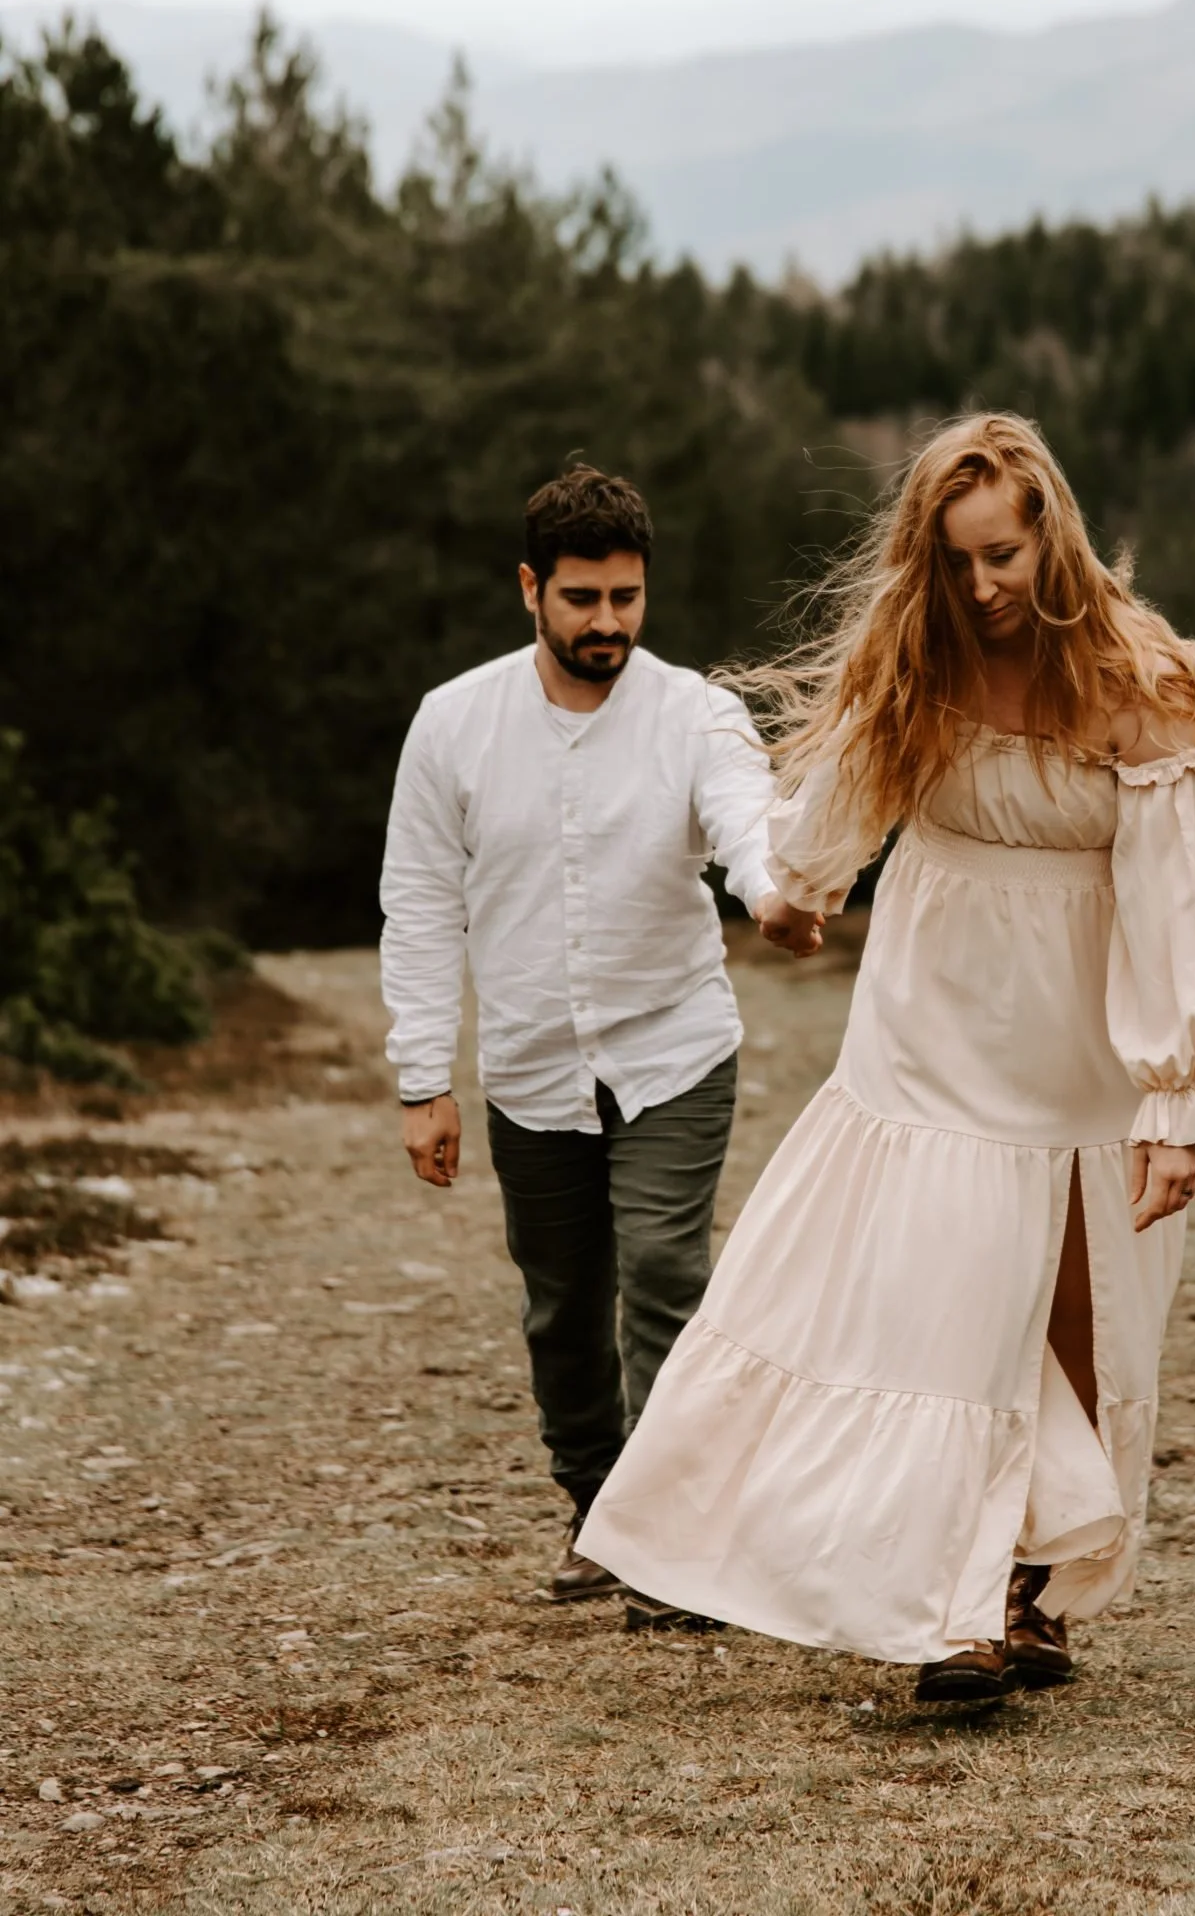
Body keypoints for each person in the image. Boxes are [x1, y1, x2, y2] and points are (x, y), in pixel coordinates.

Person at [580, 413, 1195, 1696]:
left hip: (1073, 1027)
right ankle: (959, 1602)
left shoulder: (1137, 679)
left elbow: (1173, 900)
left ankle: (1037, 1591)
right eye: (956, 562)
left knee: (1071, 1308)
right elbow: (840, 801)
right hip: (930, 1015)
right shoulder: (917, 658)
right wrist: (793, 885)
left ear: (1050, 527)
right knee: (948, 1298)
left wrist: (1174, 1088)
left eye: (1000, 555)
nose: (982, 586)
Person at [378, 464, 819, 1622]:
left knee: (666, 1274)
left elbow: (742, 821)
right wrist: (423, 1079)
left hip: (672, 1047)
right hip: (530, 1068)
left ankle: (674, 1538)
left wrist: (772, 893)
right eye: (581, 598)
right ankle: (596, 1509)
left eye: (625, 597)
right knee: (560, 1300)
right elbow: (419, 901)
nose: (607, 623)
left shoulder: (695, 713)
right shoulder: (453, 724)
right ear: (530, 589)